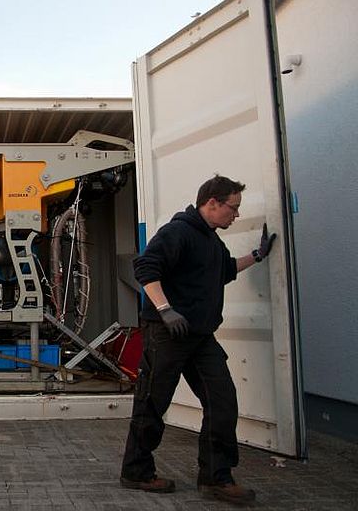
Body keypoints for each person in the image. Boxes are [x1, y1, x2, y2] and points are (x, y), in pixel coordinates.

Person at [119, 175, 277, 505]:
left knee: (222, 402)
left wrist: (258, 256)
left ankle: (216, 478)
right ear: (212, 203)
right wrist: (165, 310)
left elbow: (226, 270)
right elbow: (146, 267)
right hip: (168, 333)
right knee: (152, 402)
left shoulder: (211, 240)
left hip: (201, 337)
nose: (235, 215)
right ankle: (136, 471)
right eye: (232, 208)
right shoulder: (179, 232)